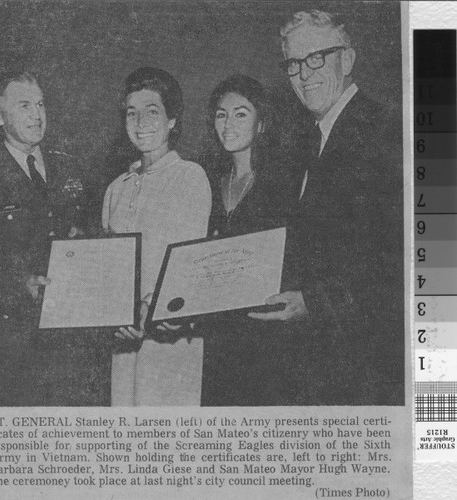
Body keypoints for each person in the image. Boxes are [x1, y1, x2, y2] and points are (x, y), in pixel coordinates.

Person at [249, 10, 404, 405]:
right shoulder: (304, 141)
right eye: (294, 63)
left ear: (347, 60)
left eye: (316, 57)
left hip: (366, 370)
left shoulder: (388, 130)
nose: (304, 74)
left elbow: (407, 263)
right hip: (313, 366)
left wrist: (314, 302)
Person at [0, 70, 108, 406]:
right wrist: (19, 281)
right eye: (24, 105)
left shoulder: (72, 169)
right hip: (10, 349)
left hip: (71, 346)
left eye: (40, 104)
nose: (37, 114)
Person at [102, 67, 211, 406]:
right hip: (124, 342)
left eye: (153, 111)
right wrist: (110, 313)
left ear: (172, 120)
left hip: (170, 341)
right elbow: (108, 270)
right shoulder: (115, 188)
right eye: (131, 113)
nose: (141, 122)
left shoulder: (189, 177)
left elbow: (187, 265)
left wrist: (148, 311)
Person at [200, 75, 291, 406]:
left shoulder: (283, 185)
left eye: (241, 114)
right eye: (221, 114)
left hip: (262, 337)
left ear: (261, 123)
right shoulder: (205, 184)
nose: (228, 124)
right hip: (212, 336)